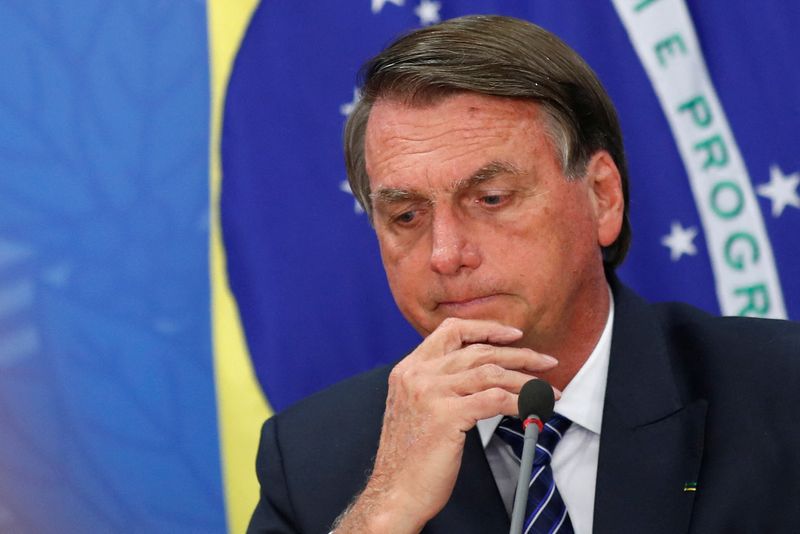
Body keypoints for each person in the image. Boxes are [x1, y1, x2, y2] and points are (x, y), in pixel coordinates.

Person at [247, 15, 800, 534]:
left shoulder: (781, 392)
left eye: (490, 198)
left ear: (602, 197)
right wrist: (385, 510)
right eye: (407, 216)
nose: (445, 254)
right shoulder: (310, 460)